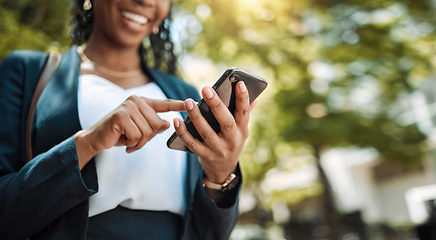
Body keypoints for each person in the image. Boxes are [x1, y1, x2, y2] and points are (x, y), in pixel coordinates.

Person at [0, 0, 254, 239]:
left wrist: (221, 176)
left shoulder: (184, 96)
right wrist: (89, 143)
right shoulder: (26, 72)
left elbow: (211, 234)